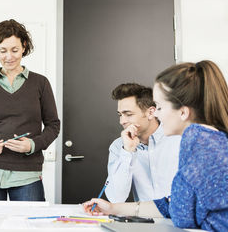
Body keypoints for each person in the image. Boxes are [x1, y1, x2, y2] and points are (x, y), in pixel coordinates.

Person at [83, 60, 228, 231]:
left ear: (183, 112)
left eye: (159, 107)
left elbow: (182, 215)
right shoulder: (211, 138)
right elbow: (173, 203)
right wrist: (113, 208)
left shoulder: (196, 140)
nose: (157, 114)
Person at [0, 19, 60, 202]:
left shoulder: (40, 84)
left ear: (24, 47)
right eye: (3, 51)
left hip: (27, 176)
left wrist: (32, 145)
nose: (9, 56)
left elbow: (53, 125)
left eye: (14, 50)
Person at [105, 83, 180, 202]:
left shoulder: (178, 139)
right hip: (144, 218)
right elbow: (116, 198)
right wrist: (127, 151)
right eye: (120, 115)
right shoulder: (118, 146)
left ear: (151, 113)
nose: (122, 121)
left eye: (128, 114)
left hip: (178, 218)